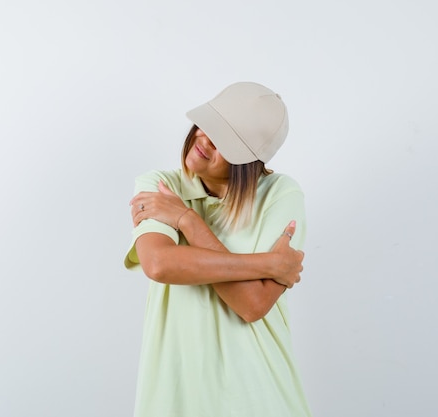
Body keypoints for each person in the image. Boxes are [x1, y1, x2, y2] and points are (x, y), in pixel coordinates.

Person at [124, 82, 312, 417]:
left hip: (259, 396)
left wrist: (187, 220)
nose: (204, 140)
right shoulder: (159, 186)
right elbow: (159, 264)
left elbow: (252, 305)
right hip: (174, 398)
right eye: (207, 125)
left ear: (249, 162)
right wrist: (268, 264)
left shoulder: (281, 195)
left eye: (224, 141)